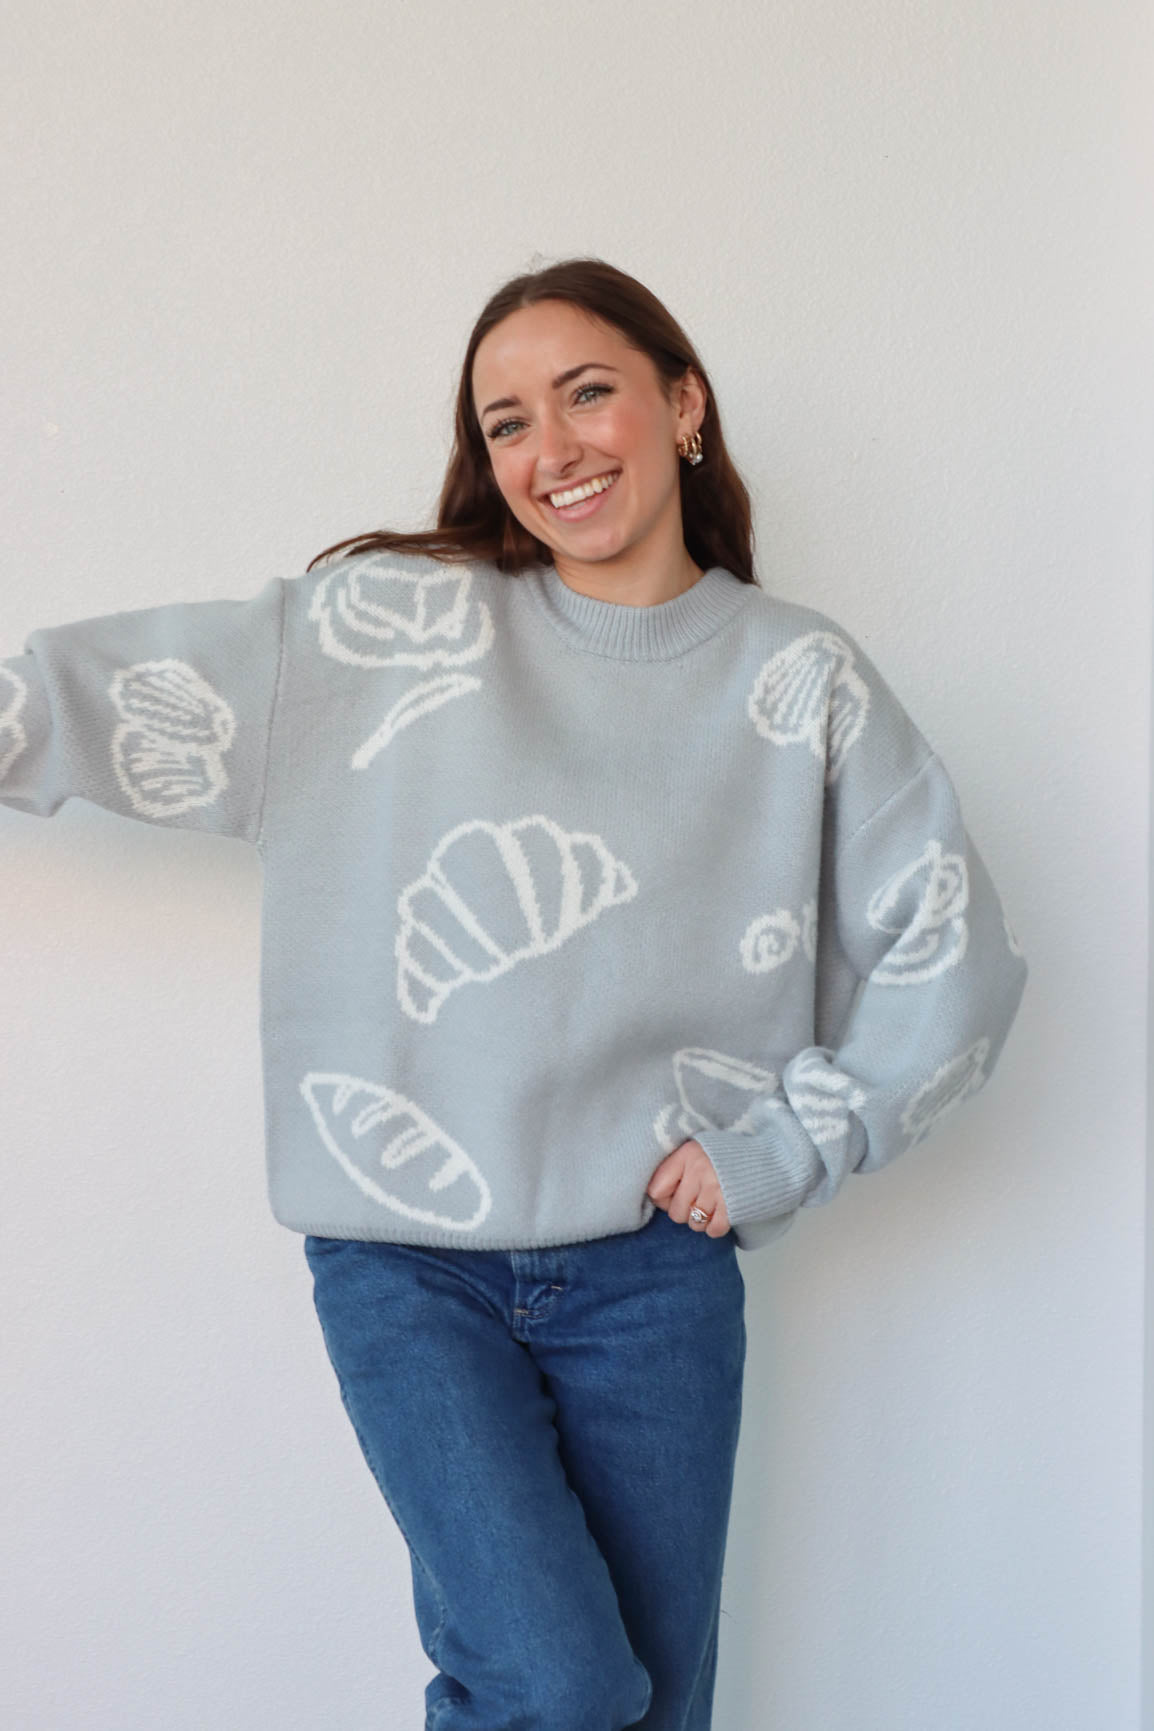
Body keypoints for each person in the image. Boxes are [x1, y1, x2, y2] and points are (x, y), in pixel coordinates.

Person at [0, 256, 1028, 1730]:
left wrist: (788, 1142)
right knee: (557, 1683)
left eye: (586, 391)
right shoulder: (384, 636)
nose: (550, 448)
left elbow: (953, 952)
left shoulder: (796, 676)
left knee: (654, 1706)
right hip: (407, 1268)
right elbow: (96, 698)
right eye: (504, 423)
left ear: (681, 404)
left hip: (650, 1277)